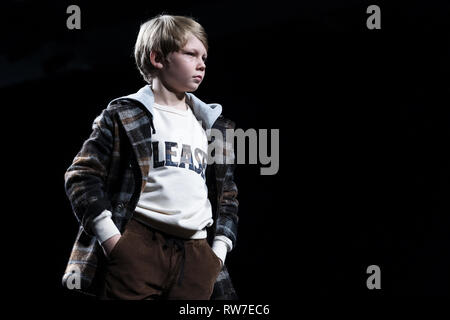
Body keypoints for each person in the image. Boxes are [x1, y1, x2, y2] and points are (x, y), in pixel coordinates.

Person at [62, 14, 239, 300]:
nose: (202, 63)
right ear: (157, 58)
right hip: (138, 244)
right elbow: (81, 175)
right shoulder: (124, 114)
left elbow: (227, 195)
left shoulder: (214, 126)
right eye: (190, 53)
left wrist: (216, 253)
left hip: (196, 256)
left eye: (204, 56)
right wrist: (113, 241)